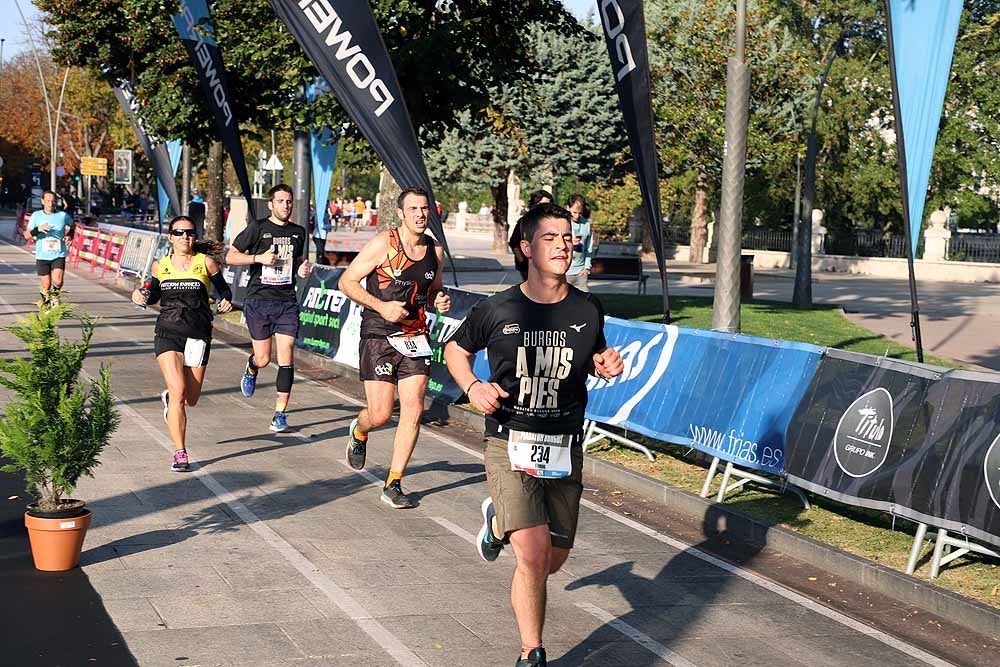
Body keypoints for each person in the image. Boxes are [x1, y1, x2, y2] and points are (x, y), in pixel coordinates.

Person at [444, 203, 623, 667]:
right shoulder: (499, 308)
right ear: (526, 248)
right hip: (509, 440)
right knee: (533, 553)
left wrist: (605, 364)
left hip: (564, 444)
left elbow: (595, 355)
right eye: (550, 237)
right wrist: (473, 386)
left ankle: (497, 522)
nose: (563, 244)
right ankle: (532, 651)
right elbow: (455, 350)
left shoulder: (588, 307)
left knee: (553, 560)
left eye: (567, 236)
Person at [339, 187, 451, 508]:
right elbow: (346, 281)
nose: (420, 214)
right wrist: (382, 306)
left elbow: (433, 291)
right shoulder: (384, 244)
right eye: (413, 209)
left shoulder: (435, 251)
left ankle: (394, 483)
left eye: (425, 209)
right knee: (381, 414)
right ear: (401, 213)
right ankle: (360, 431)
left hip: (415, 337)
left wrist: (438, 299)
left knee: (414, 407)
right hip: (378, 334)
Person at [131, 216, 233, 471]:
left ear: (194, 237)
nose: (185, 237)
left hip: (198, 334)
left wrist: (225, 301)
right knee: (178, 391)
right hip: (168, 332)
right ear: (171, 237)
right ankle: (180, 452)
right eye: (179, 232)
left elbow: (225, 291)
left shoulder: (205, 262)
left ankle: (170, 400)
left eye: (189, 232)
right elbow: (154, 295)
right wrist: (141, 294)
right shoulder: (160, 266)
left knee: (191, 398)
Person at [225, 184, 311, 433]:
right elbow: (231, 256)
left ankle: (280, 415)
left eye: (289, 201)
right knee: (263, 358)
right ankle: (251, 368)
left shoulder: (298, 232)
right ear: (271, 204)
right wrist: (257, 258)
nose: (286, 205)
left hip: (286, 301)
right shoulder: (258, 228)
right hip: (259, 300)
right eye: (281, 201)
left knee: (286, 356)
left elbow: (296, 260)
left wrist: (301, 268)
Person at [27, 190, 74, 307]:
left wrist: (70, 235)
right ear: (42, 201)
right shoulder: (36, 216)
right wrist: (38, 229)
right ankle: (46, 303)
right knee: (46, 285)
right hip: (42, 254)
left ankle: (55, 296)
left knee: (58, 281)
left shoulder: (62, 216)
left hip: (59, 253)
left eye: (53, 201)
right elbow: (26, 235)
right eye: (48, 201)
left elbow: (73, 225)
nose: (50, 204)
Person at [508, 190, 553, 281]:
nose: (545, 208)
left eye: (548, 205)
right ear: (534, 204)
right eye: (542, 205)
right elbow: (514, 242)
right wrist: (522, 262)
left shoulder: (552, 223)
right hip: (528, 266)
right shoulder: (524, 221)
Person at [565, 194, 595, 292]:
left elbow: (589, 248)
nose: (577, 216)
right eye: (574, 212)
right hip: (565, 271)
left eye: (580, 213)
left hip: (580, 273)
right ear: (568, 208)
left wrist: (587, 268)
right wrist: (569, 242)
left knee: (584, 302)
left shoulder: (586, 224)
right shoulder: (563, 223)